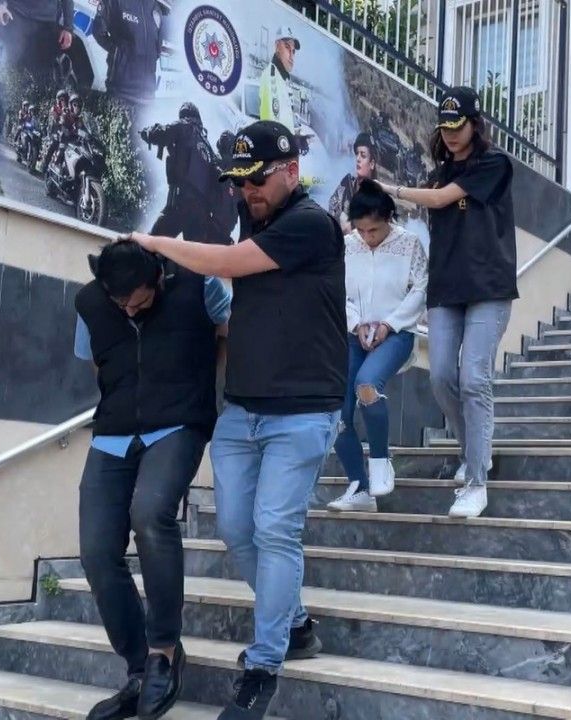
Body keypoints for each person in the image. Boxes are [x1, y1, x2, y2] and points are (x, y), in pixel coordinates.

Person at [128, 120, 346, 720]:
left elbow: (225, 262)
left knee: (275, 530)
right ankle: (295, 622)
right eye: (239, 181)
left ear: (291, 172)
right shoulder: (259, 214)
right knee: (234, 530)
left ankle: (263, 666)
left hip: (302, 413)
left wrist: (155, 242)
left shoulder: (311, 224)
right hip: (243, 411)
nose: (247, 192)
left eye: (257, 180)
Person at [73, 240, 231, 720]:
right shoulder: (90, 301)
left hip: (178, 423)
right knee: (96, 551)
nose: (129, 311)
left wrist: (206, 392)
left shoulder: (199, 285)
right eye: (120, 304)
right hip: (113, 433)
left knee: (150, 514)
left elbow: (228, 334)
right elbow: (96, 359)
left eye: (139, 303)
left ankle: (164, 650)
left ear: (158, 278)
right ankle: (140, 669)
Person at [377, 86, 516, 519]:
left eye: (458, 125)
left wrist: (391, 188)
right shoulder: (438, 173)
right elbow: (425, 205)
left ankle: (476, 481)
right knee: (440, 377)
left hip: (487, 286)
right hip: (445, 288)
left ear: (475, 124)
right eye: (445, 127)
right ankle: (473, 450)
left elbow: (438, 199)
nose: (451, 134)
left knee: (473, 378)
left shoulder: (493, 164)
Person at [327, 180, 427, 513]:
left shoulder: (409, 244)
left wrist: (389, 324)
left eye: (374, 230)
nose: (368, 237)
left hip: (396, 334)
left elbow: (421, 289)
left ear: (388, 219)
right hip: (354, 333)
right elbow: (337, 291)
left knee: (367, 385)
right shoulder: (347, 246)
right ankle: (359, 487)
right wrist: (357, 323)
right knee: (337, 410)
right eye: (362, 230)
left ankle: (381, 461)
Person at [140, 103, 238, 245]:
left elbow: (162, 133)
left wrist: (147, 132)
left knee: (151, 244)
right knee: (194, 254)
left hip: (181, 201)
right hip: (201, 212)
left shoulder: (185, 125)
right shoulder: (208, 146)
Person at [92, 0, 163, 105]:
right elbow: (98, 31)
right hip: (120, 90)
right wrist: (118, 53)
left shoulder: (155, 6)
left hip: (148, 95)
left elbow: (158, 46)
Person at [0, 0, 73, 80]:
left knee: (40, 77)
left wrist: (68, 27)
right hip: (17, 14)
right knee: (12, 72)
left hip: (47, 24)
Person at [327, 132, 378, 233]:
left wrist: (352, 227)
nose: (358, 159)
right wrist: (340, 217)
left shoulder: (377, 194)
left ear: (372, 164)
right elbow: (332, 203)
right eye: (357, 154)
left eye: (363, 155)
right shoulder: (348, 182)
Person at [257, 26, 299, 132]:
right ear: (277, 47)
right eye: (287, 47)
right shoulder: (271, 77)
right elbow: (271, 126)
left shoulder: (282, 79)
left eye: (293, 51)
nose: (291, 56)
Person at [39, 89, 71, 173]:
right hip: (54, 131)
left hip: (65, 134)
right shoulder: (54, 108)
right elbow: (55, 120)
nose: (63, 101)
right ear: (58, 99)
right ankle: (45, 165)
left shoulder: (68, 109)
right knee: (53, 145)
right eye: (61, 99)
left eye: (65, 99)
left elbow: (72, 120)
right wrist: (61, 119)